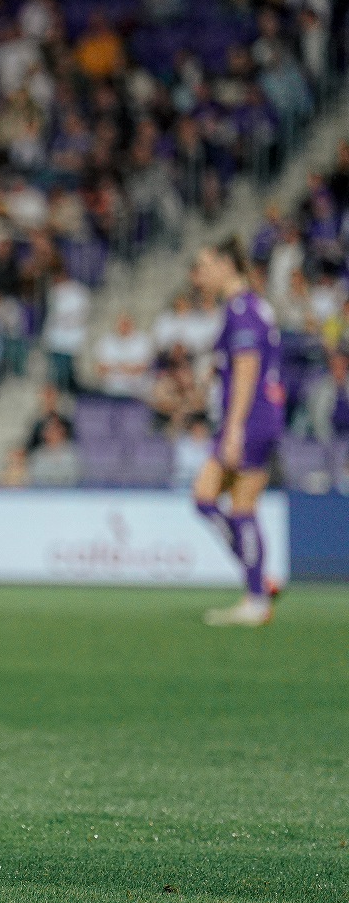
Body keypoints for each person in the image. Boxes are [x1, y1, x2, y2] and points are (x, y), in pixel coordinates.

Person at [192, 239, 287, 626]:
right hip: (263, 415)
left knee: (218, 500)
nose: (198, 276)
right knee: (223, 502)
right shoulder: (254, 306)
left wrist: (233, 429)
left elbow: (248, 367)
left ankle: (257, 593)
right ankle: (257, 586)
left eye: (204, 266)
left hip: (250, 419)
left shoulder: (240, 309)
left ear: (225, 264)